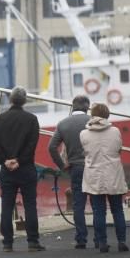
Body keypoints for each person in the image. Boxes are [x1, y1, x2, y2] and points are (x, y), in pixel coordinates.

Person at [0, 86, 45, 252]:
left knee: (7, 205)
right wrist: (19, 160)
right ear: (25, 101)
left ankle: (7, 242)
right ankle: (33, 241)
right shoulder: (32, 119)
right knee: (30, 204)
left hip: (7, 170)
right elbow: (32, 145)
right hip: (26, 168)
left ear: (11, 100)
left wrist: (5, 161)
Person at [80, 103, 129, 253]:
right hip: (113, 174)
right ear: (107, 114)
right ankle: (121, 241)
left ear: (92, 115)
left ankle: (102, 242)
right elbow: (119, 149)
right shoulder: (115, 131)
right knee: (117, 210)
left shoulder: (84, 134)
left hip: (94, 175)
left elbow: (85, 152)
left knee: (99, 211)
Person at [48, 95, 91, 248]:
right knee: (97, 203)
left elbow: (52, 147)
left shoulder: (63, 124)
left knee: (78, 204)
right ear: (87, 107)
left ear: (73, 106)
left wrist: (62, 165)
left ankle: (81, 239)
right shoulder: (93, 121)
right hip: (94, 167)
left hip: (75, 168)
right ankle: (101, 239)